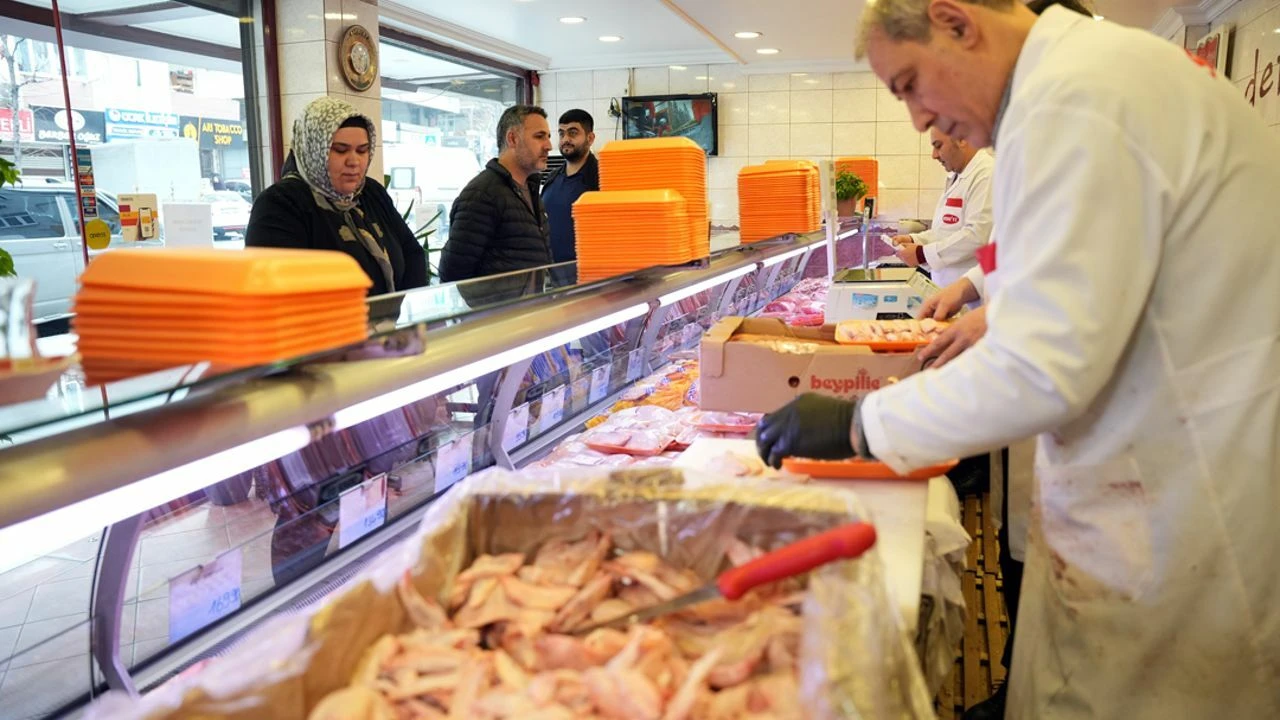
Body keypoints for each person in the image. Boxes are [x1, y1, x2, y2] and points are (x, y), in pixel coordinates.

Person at [757, 1, 1280, 718]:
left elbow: (1044, 365)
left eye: (909, 83)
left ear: (955, 22)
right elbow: (1086, 276)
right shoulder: (1079, 86)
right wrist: (990, 310)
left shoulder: (1077, 98)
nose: (917, 118)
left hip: (1181, 499)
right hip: (1150, 469)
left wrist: (859, 424)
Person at [246, 97, 426, 295]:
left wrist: (406, 315)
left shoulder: (371, 193)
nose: (354, 161)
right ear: (313, 149)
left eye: (362, 150)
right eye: (340, 150)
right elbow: (278, 290)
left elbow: (412, 253)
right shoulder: (280, 204)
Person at [439, 105, 553, 283]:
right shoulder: (483, 194)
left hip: (530, 308)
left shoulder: (531, 190)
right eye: (539, 137)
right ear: (512, 139)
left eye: (548, 137)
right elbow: (453, 273)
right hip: (500, 310)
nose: (549, 146)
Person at [890, 128, 994, 290]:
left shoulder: (986, 174)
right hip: (950, 291)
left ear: (962, 140)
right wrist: (916, 240)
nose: (934, 155)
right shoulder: (957, 177)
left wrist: (922, 254)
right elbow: (945, 232)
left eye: (938, 146)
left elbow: (977, 236)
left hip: (972, 294)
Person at [541, 109, 600, 285]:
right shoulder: (551, 179)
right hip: (553, 280)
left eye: (573, 133)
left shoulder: (601, 180)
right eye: (561, 133)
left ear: (590, 138)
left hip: (591, 280)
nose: (566, 139)